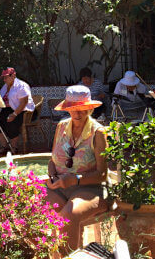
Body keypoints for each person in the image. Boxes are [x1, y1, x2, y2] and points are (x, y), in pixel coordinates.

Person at [46, 85, 108, 254]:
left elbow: (102, 175)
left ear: (89, 108)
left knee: (68, 215)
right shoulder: (61, 127)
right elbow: (52, 161)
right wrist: (52, 177)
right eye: (73, 109)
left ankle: (69, 256)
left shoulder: (98, 132)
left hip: (89, 188)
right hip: (60, 187)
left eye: (82, 109)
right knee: (34, 207)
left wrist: (74, 179)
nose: (77, 113)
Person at [0, 67, 35, 154]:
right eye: (3, 77)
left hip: (21, 110)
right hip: (7, 109)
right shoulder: (5, 86)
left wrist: (14, 114)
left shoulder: (21, 85)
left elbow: (24, 102)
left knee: (11, 121)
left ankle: (14, 147)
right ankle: (5, 147)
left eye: (6, 77)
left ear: (13, 76)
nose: (4, 79)